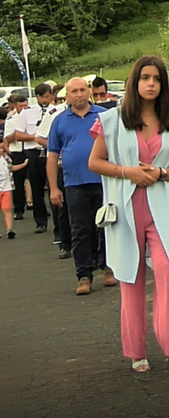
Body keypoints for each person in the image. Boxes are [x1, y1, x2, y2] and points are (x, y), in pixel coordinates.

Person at [88, 55, 169, 372]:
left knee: (167, 273)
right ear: (134, 83)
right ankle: (136, 351)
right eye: (145, 78)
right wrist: (126, 171)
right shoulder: (112, 120)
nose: (151, 84)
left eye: (157, 79)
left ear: (163, 85)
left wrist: (161, 173)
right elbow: (95, 162)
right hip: (125, 209)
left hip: (161, 210)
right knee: (130, 279)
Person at [48, 78, 116, 295]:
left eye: (82, 90)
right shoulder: (59, 121)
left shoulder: (104, 116)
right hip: (74, 183)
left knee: (108, 227)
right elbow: (52, 156)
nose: (78, 94)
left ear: (89, 92)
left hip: (103, 181)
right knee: (80, 230)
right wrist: (54, 188)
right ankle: (84, 275)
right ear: (66, 96)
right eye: (73, 91)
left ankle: (108, 268)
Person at [36, 85, 72, 258]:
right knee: (62, 207)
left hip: (87, 167)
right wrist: (57, 151)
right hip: (62, 166)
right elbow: (40, 137)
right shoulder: (55, 114)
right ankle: (64, 242)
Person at [14, 83, 54, 233]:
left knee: (54, 186)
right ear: (37, 97)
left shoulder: (56, 110)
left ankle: (59, 222)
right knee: (36, 188)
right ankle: (41, 221)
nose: (45, 100)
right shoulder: (27, 112)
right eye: (42, 97)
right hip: (34, 151)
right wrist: (37, 137)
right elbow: (18, 135)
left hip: (51, 151)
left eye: (48, 96)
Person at [4, 94, 28, 222]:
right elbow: (7, 139)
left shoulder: (32, 118)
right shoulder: (11, 120)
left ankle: (39, 208)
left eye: (25, 105)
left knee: (36, 181)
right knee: (18, 183)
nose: (24, 108)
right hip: (17, 152)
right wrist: (18, 133)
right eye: (21, 106)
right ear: (15, 106)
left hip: (30, 150)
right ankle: (19, 209)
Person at [0, 151, 27, 239]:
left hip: (6, 188)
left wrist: (23, 165)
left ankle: (9, 229)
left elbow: (11, 168)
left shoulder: (6, 158)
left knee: (7, 209)